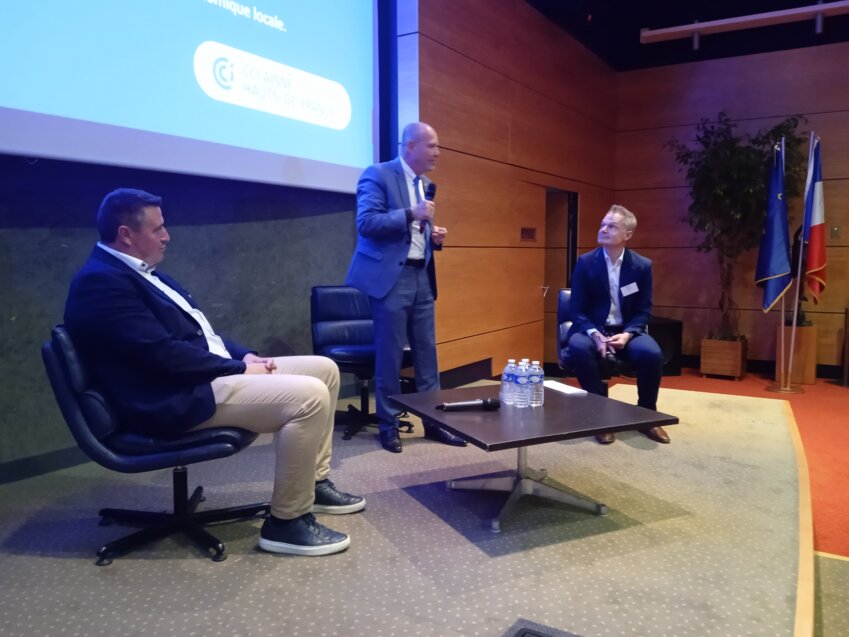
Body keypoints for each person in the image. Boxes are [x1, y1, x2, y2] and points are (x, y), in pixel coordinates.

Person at [64, 188, 364, 557]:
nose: (166, 236)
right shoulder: (101, 282)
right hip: (168, 397)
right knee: (309, 397)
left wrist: (246, 356)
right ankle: (287, 523)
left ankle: (312, 484)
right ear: (125, 234)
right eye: (157, 228)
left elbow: (203, 335)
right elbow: (162, 355)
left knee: (325, 370)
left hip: (198, 377)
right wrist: (241, 369)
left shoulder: (141, 273)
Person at [345, 122, 466, 453]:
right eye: (432, 146)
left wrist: (433, 237)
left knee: (427, 353)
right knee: (391, 354)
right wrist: (411, 213)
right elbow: (366, 223)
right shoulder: (378, 174)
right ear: (410, 146)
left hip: (421, 276)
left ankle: (434, 422)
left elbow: (414, 233)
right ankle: (389, 425)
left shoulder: (425, 185)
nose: (438, 153)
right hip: (391, 279)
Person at [565, 205, 670, 445]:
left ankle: (647, 416)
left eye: (611, 226)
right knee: (578, 347)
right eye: (603, 224)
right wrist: (595, 334)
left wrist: (628, 334)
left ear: (627, 235)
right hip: (592, 328)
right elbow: (577, 309)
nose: (603, 229)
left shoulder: (642, 266)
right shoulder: (585, 262)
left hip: (626, 330)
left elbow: (644, 310)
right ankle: (600, 416)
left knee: (652, 354)